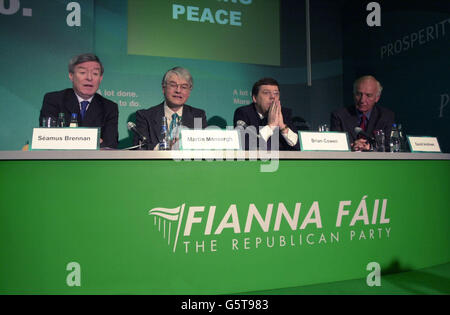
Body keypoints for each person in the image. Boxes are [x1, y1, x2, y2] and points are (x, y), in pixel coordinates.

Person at [39, 53, 119, 149]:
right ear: (71, 75)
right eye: (82, 72)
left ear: (100, 78)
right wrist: (94, 139)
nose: (89, 78)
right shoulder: (54, 100)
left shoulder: (109, 107)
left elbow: (110, 145)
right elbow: (47, 138)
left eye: (95, 74)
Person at [134, 67, 207, 150]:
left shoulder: (197, 116)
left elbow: (202, 148)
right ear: (163, 88)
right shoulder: (145, 116)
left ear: (189, 91)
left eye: (184, 87)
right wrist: (164, 147)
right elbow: (139, 148)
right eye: (173, 85)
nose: (178, 91)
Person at [233, 77, 300, 151]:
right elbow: (246, 145)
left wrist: (282, 126)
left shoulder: (284, 113)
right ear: (255, 98)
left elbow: (298, 146)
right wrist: (271, 126)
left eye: (276, 93)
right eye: (266, 93)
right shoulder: (244, 113)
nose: (272, 97)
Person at [330, 75, 394, 151]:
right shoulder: (339, 115)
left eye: (368, 95)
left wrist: (370, 147)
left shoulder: (386, 116)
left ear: (377, 98)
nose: (362, 100)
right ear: (353, 94)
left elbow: (388, 146)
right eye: (358, 94)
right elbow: (335, 145)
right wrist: (353, 146)